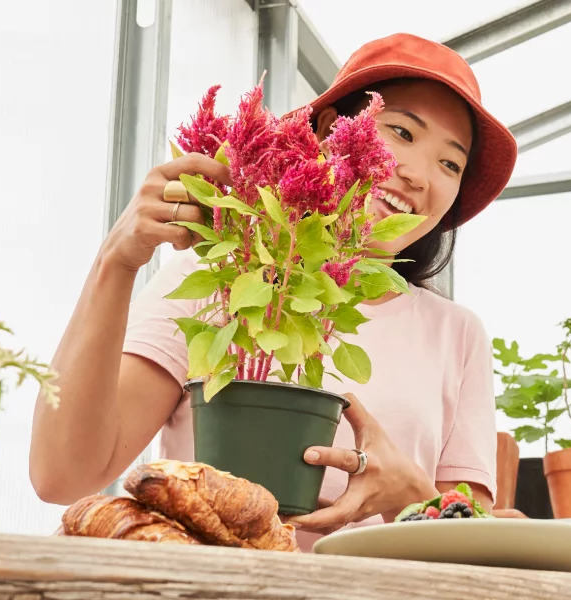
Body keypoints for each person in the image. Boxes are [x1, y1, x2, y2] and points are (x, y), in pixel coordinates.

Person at [31, 33, 521, 549]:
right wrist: (116, 262)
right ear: (335, 129)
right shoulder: (221, 277)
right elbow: (61, 475)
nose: (419, 174)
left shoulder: (458, 335)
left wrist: (411, 495)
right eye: (401, 131)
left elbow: (472, 553)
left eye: (451, 164)